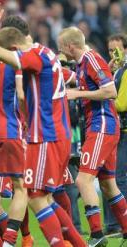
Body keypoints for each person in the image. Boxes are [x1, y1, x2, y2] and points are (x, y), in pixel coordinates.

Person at [0, 11, 86, 247]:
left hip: (34, 134)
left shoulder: (24, 58)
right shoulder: (44, 54)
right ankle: (24, 241)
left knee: (33, 196)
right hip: (29, 131)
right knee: (39, 194)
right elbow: (22, 90)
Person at [59, 27, 127, 246]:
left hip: (102, 124)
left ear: (70, 46)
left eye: (62, 47)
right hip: (98, 125)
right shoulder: (82, 63)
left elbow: (110, 91)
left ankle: (97, 235)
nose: (61, 51)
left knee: (82, 179)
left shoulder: (91, 59)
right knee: (108, 185)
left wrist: (77, 93)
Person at [102, 33, 127, 237]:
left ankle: (119, 224)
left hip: (124, 133)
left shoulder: (126, 71)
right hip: (116, 131)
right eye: (110, 50)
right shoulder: (117, 72)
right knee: (110, 178)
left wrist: (103, 99)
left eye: (117, 50)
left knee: (117, 178)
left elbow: (121, 104)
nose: (113, 54)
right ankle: (113, 225)